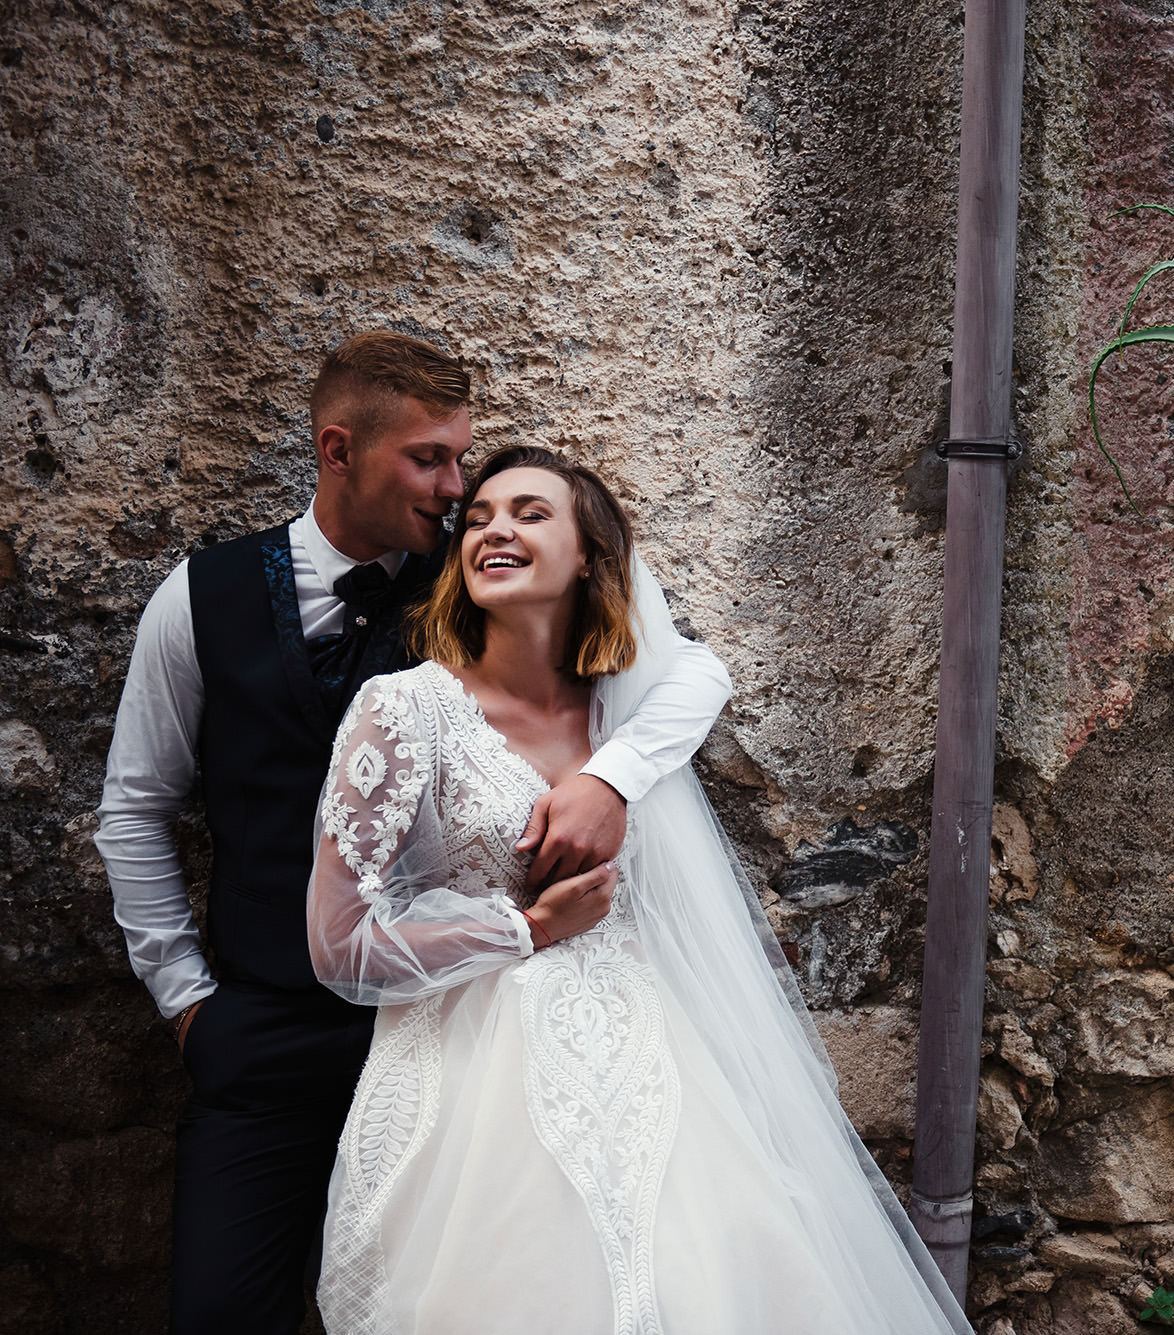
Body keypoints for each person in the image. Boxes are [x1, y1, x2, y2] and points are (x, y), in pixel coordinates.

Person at [94, 333, 731, 1334]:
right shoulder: (199, 599)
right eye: (429, 460)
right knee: (221, 1311)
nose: (456, 487)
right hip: (272, 1028)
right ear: (338, 449)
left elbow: (688, 667)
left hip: (469, 1028)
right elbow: (134, 809)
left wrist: (613, 775)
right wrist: (188, 1005)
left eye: (462, 461)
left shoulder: (490, 572)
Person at [304, 446, 971, 1334]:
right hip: (473, 1073)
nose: (495, 527)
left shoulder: (624, 710)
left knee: (708, 1279)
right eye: (482, 516)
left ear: (590, 556)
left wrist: (609, 778)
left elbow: (705, 672)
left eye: (532, 513)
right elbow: (338, 941)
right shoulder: (404, 710)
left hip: (652, 1055)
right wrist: (522, 930)